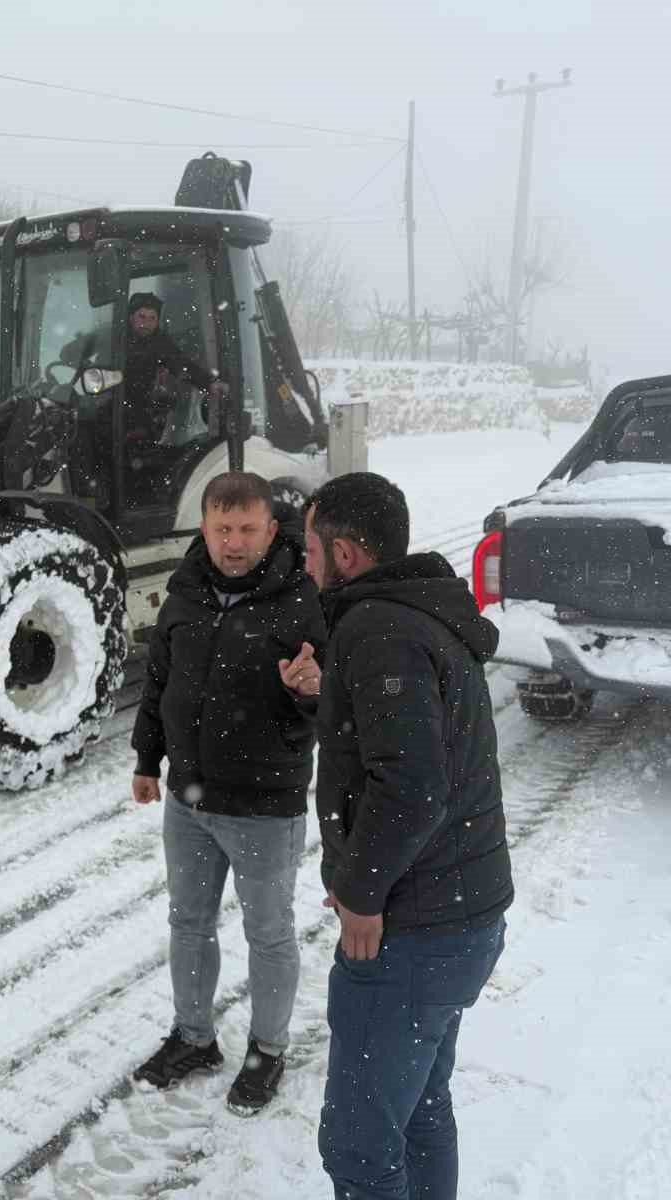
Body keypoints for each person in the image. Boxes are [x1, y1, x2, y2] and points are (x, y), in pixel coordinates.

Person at [284, 471, 513, 1200]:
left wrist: (358, 891)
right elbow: (415, 737)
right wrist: (335, 694)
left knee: (357, 1146)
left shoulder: (377, 629)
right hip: (458, 918)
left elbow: (411, 788)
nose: (306, 564)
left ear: (347, 552)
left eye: (313, 549)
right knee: (418, 1109)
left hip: (415, 933)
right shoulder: (415, 613)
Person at [128, 471, 327, 1115]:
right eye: (221, 529)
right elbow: (159, 680)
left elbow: (330, 713)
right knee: (187, 922)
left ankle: (267, 1050)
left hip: (265, 807)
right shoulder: (186, 591)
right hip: (188, 803)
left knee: (268, 933)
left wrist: (308, 693)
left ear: (271, 530)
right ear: (205, 529)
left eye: (246, 529)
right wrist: (146, 756)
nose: (232, 543)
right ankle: (194, 1038)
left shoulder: (303, 601)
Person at [122, 291, 225, 442]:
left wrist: (209, 384)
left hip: (141, 409)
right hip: (115, 402)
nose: (147, 323)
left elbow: (181, 364)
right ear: (131, 318)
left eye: (152, 318)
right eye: (142, 316)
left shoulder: (159, 342)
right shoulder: (116, 338)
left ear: (158, 322)